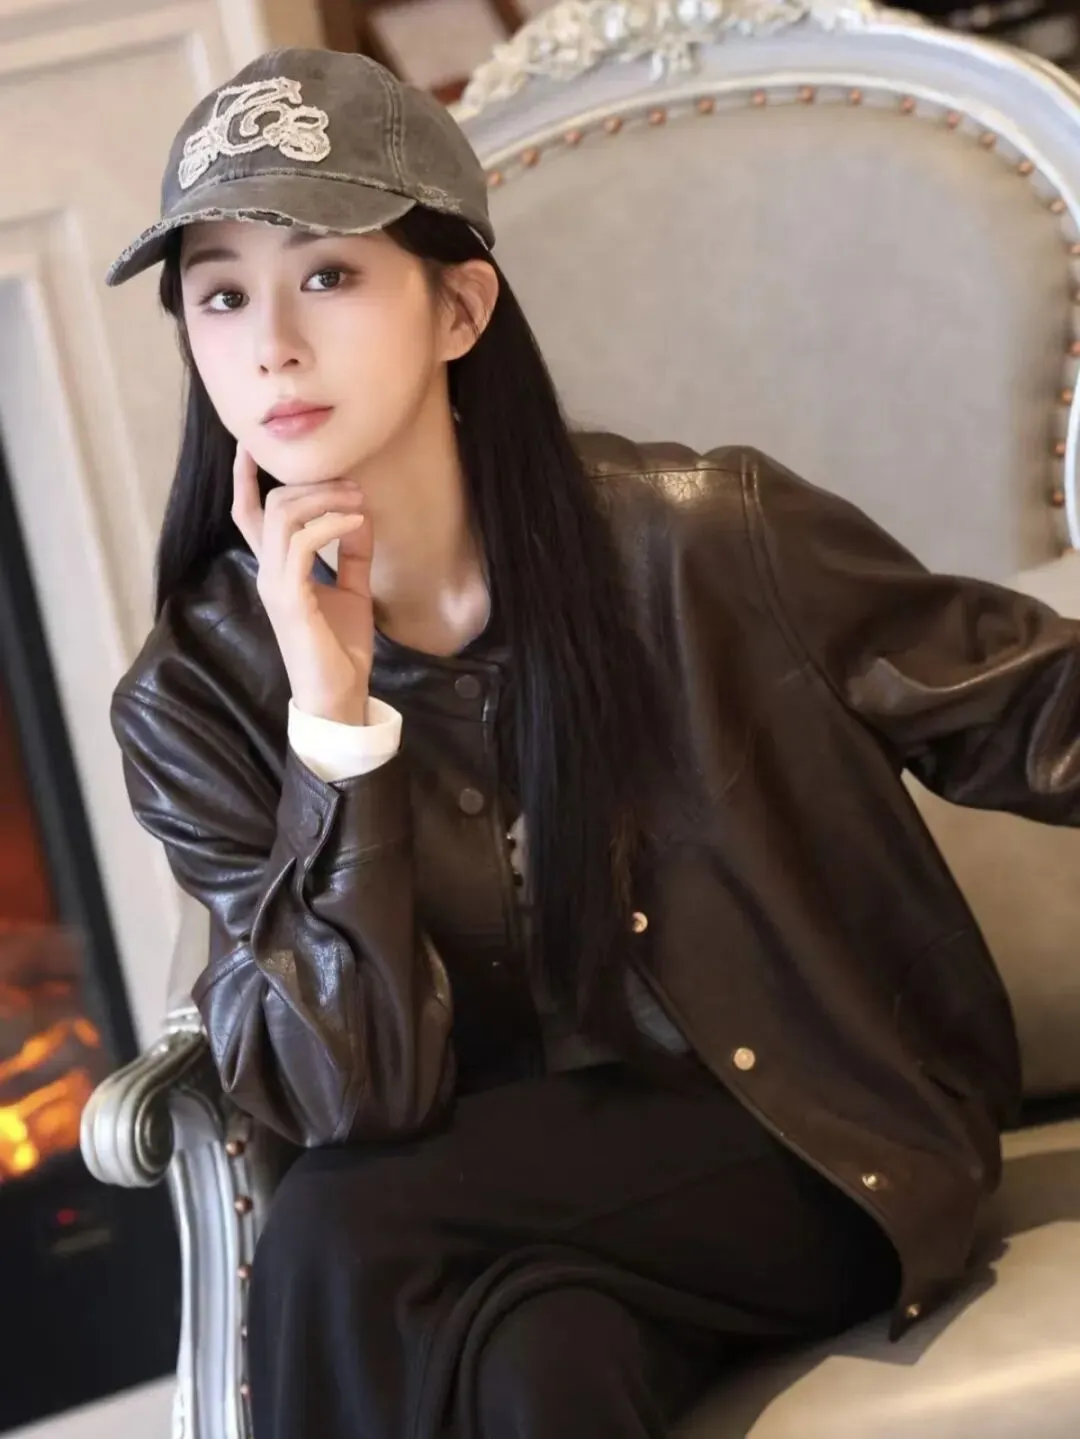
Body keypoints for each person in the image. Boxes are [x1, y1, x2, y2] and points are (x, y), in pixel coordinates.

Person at [105, 46, 1072, 1439]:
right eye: (221, 293)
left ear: (460, 306)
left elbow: (1033, 709)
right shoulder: (197, 693)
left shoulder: (701, 540)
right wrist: (333, 726)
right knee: (539, 1369)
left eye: (328, 274)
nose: (270, 346)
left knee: (335, 1230)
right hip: (508, 1222)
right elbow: (347, 1092)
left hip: (807, 1136)